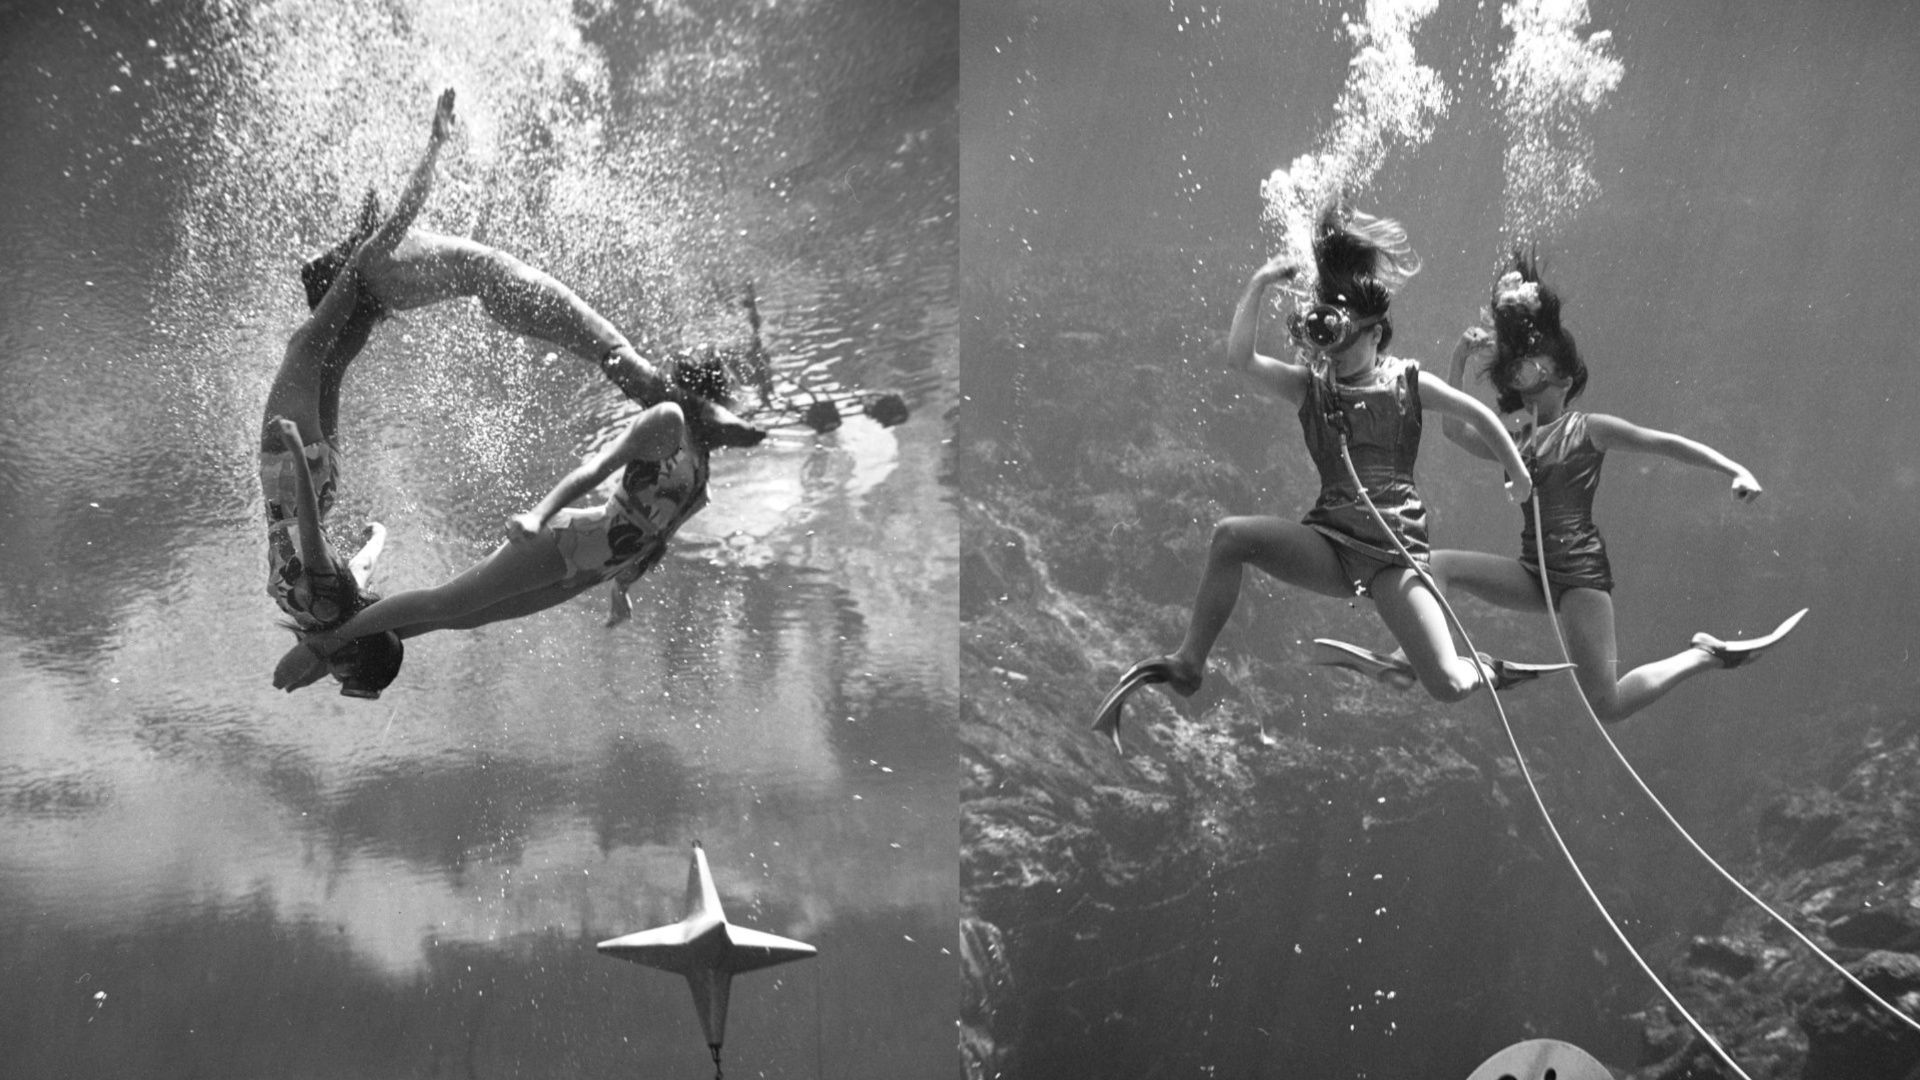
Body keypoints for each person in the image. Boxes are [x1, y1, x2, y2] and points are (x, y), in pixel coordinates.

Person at [1092, 208, 1560, 750]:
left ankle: (1481, 669)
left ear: (1376, 334)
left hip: (1394, 559)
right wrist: (1261, 283)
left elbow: (1476, 417)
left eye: (1344, 339)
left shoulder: (1408, 383)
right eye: (1324, 338)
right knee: (1230, 537)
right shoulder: (1310, 386)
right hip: (1331, 547)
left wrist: (1520, 476)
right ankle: (1189, 661)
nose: (1332, 352)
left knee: (1449, 686)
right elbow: (1239, 359)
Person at [1394, 251, 1803, 723]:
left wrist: (1735, 468)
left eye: (1537, 363)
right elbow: (1453, 431)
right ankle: (1419, 660)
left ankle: (1707, 655)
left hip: (1580, 578)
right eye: (1521, 365)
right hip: (1535, 574)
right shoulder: (1516, 442)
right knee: (1437, 565)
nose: (1526, 370)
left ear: (1564, 378)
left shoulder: (1589, 428)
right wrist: (1458, 358)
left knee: (1607, 704)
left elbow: (1666, 444)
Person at [270, 352, 745, 693]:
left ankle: (346, 649)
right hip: (568, 542)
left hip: (588, 573)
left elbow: (658, 538)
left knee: (460, 619)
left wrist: (622, 587)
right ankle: (324, 646)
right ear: (709, 397)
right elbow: (596, 469)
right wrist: (540, 515)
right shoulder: (669, 422)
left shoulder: (702, 475)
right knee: (446, 602)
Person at [300, 109, 763, 447]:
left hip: (500, 300)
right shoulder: (370, 256)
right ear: (337, 264)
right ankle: (703, 418)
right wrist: (436, 141)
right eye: (328, 253)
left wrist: (327, 449)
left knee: (608, 355)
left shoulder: (372, 298)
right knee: (612, 349)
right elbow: (410, 203)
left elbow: (333, 373)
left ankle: (685, 422)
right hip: (504, 285)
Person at [259, 89, 466, 697]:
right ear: (344, 655)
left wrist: (377, 532)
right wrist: (296, 450)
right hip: (291, 468)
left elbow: (367, 552)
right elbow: (309, 535)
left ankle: (362, 275)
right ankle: (415, 178)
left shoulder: (343, 606)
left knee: (333, 352)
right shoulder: (323, 610)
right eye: (341, 676)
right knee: (313, 337)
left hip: (326, 480)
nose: (332, 677)